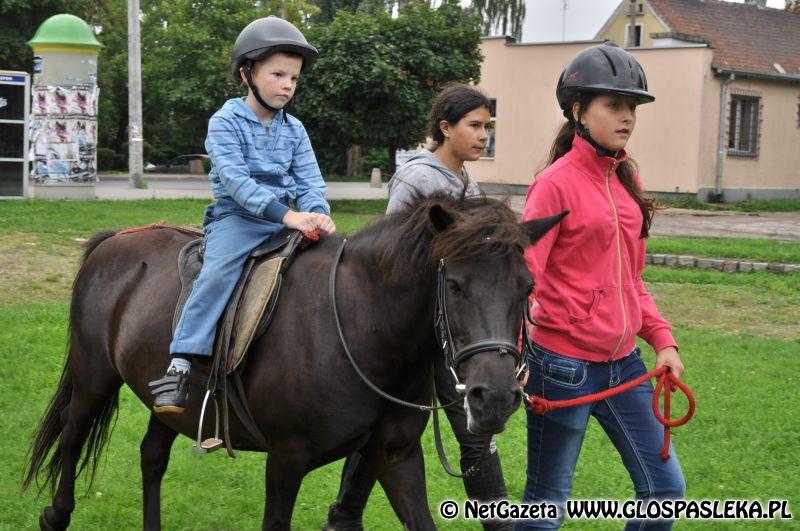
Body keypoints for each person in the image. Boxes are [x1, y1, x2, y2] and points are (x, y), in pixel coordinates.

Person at [324, 84, 513, 531]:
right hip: (414, 334)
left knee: (414, 430)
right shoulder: (418, 179)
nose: (484, 135)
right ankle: (344, 517)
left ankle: (343, 518)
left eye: (488, 126)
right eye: (474, 126)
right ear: (445, 128)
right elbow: (390, 260)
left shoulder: (467, 180)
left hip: (452, 330)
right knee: (398, 428)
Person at [517, 42, 686, 530]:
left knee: (665, 490)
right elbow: (525, 277)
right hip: (562, 366)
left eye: (632, 107)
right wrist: (518, 352)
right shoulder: (554, 184)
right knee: (546, 505)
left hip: (624, 366)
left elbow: (632, 279)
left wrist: (663, 340)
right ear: (577, 111)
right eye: (614, 105)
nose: (627, 117)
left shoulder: (624, 179)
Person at [149, 16, 336, 413]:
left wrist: (317, 212)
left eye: (295, 78)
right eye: (278, 74)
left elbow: (310, 180)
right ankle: (180, 364)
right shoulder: (225, 122)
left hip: (287, 220)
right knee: (217, 273)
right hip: (237, 219)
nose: (288, 85)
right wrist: (288, 216)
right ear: (247, 73)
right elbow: (237, 183)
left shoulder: (296, 129)